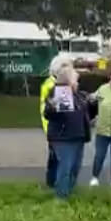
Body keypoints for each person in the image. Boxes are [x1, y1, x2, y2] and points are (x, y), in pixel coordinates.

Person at [43, 66, 98, 199]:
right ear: (68, 80)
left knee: (75, 167)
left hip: (78, 136)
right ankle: (61, 196)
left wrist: (94, 103)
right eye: (75, 80)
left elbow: (87, 114)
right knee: (65, 168)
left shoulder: (79, 95)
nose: (77, 83)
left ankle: (69, 191)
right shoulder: (58, 93)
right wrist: (52, 106)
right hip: (63, 137)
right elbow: (49, 114)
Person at [39, 53, 75, 188]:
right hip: (56, 128)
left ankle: (52, 182)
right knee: (58, 158)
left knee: (54, 157)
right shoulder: (56, 86)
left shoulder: (52, 83)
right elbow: (64, 110)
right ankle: (55, 184)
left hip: (54, 128)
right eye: (67, 66)